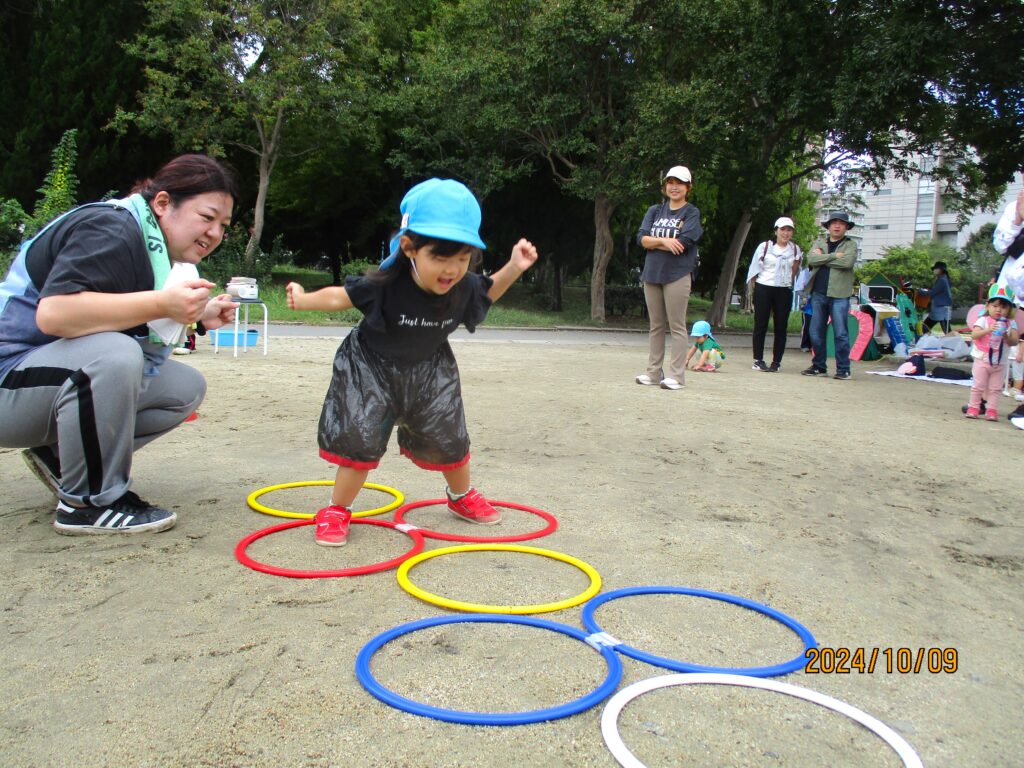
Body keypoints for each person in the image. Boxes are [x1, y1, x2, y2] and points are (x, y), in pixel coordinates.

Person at [285, 178, 538, 547]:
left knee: (451, 437)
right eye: (440, 257)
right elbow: (342, 297)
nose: (452, 269)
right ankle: (336, 509)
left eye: (463, 258)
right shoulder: (386, 283)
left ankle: (460, 496)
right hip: (370, 368)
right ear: (409, 247)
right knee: (361, 440)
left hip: (430, 368)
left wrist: (515, 266)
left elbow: (486, 291)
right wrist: (304, 300)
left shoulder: (463, 285)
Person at [0, 154, 240, 535]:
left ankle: (62, 460)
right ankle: (88, 504)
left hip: (36, 381)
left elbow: (116, 314)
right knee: (114, 355)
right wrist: (165, 304)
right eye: (207, 217)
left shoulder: (149, 245)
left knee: (183, 389)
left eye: (223, 225)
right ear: (163, 203)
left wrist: (199, 315)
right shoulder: (110, 227)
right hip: (8, 382)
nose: (214, 233)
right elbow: (55, 315)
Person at [634, 165, 703, 391]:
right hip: (652, 273)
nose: (674, 187)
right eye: (670, 182)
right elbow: (642, 239)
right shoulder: (655, 210)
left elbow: (683, 244)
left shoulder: (691, 213)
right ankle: (653, 372)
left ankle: (677, 376)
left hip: (678, 274)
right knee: (656, 325)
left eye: (680, 183)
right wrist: (664, 241)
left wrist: (656, 241)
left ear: (688, 187)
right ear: (665, 186)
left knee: (677, 325)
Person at [802, 211, 859, 380]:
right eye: (833, 222)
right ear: (828, 226)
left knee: (841, 333)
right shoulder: (820, 242)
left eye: (841, 223)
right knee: (815, 332)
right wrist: (834, 256)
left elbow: (847, 263)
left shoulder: (850, 245)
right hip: (818, 293)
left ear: (846, 227)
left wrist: (823, 258)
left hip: (840, 294)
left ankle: (843, 369)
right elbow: (811, 260)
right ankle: (819, 366)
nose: (837, 225)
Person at [745, 216, 803, 372]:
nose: (785, 233)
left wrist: (787, 283)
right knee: (761, 324)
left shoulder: (795, 249)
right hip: (764, 286)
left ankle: (776, 361)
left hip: (783, 289)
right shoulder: (765, 247)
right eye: (782, 229)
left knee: (781, 326)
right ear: (776, 230)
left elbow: (795, 268)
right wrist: (756, 288)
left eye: (789, 230)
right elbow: (755, 269)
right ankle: (758, 359)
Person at [966, 284, 1020, 420]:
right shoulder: (983, 320)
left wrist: (1006, 336)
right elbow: (974, 335)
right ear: (988, 306)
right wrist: (988, 330)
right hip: (982, 359)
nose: (998, 310)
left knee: (995, 388)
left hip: (1000, 362)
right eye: (995, 306)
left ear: (1009, 309)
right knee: (978, 385)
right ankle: (973, 407)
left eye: (1003, 307)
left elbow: (1014, 341)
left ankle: (992, 410)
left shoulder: (1010, 323)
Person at [918, 261, 953, 333]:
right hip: (941, 308)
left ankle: (954, 343)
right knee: (926, 327)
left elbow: (932, 292)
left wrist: (920, 291)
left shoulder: (942, 280)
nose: (935, 270)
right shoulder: (944, 279)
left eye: (936, 268)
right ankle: (922, 341)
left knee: (946, 331)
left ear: (941, 270)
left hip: (941, 309)